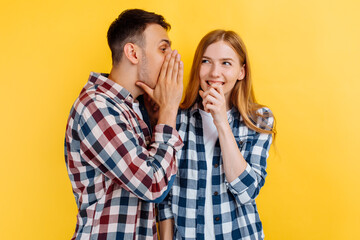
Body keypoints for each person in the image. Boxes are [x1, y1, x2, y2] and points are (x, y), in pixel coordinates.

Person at [64, 9, 184, 240]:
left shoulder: (134, 108)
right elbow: (152, 186)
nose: (173, 57)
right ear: (133, 53)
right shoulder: (96, 108)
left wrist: (158, 117)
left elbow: (164, 184)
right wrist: (169, 110)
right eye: (163, 48)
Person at [157, 30, 276, 240]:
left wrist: (221, 120)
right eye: (206, 61)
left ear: (242, 72)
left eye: (226, 63)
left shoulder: (259, 120)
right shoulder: (176, 118)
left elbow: (247, 191)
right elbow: (164, 194)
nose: (214, 73)